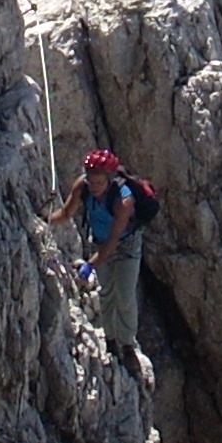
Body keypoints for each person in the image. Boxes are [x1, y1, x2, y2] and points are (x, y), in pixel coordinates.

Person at [48, 148, 145, 363]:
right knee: (106, 293)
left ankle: (127, 344)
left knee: (125, 295)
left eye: (99, 183)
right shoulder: (82, 186)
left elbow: (113, 242)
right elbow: (66, 213)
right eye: (91, 181)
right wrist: (43, 218)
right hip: (100, 242)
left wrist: (89, 265)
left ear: (109, 180)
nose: (93, 187)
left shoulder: (123, 200)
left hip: (125, 246)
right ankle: (111, 339)